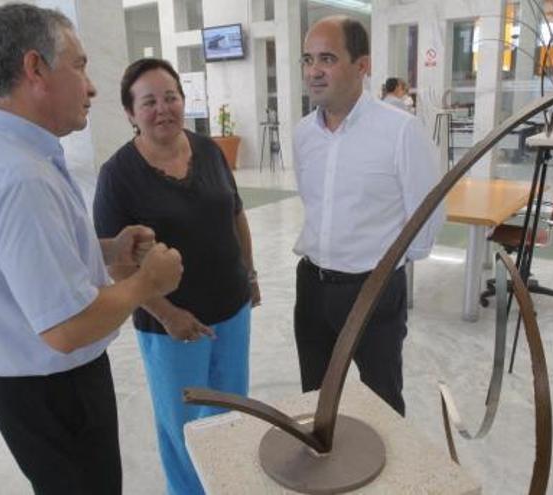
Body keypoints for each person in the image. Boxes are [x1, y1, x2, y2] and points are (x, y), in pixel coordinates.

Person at [0, 5, 183, 494]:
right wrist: (146, 283)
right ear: (35, 69)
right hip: (54, 393)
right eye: (79, 65)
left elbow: (24, 258)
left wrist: (107, 250)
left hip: (32, 389)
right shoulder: (18, 176)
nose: (91, 86)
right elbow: (67, 327)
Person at [93, 58, 259, 495]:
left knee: (231, 410)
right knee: (181, 424)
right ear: (130, 113)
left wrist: (251, 275)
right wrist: (167, 315)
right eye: (149, 102)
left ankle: (227, 484)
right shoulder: (117, 176)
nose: (163, 109)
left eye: (171, 97)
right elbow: (117, 265)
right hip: (170, 327)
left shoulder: (207, 150)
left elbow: (236, 215)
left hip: (232, 309)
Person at [293, 17, 444, 416]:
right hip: (311, 286)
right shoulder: (303, 134)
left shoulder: (401, 131)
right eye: (308, 59)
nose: (313, 71)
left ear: (362, 66)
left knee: (383, 403)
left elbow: (427, 217)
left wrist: (384, 268)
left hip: (371, 291)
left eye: (327, 58)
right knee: (317, 400)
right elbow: (313, 203)